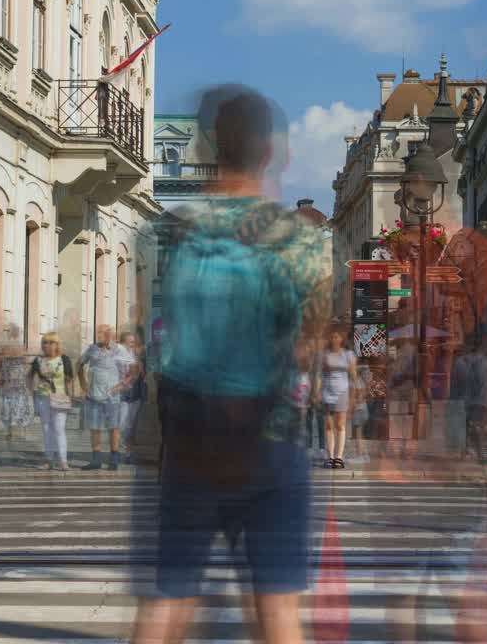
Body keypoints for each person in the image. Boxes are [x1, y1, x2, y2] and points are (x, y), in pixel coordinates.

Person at [132, 85, 328, 644]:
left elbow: (156, 337)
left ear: (206, 149)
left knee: (166, 605)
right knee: (278, 615)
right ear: (269, 153)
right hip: (272, 439)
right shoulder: (300, 239)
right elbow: (307, 345)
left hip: (190, 443)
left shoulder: (169, 232)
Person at [78, 324, 133, 470]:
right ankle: (96, 460)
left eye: (103, 332)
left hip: (112, 397)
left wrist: (121, 385)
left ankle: (113, 459)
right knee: (95, 427)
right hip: (94, 395)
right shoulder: (92, 349)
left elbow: (135, 369)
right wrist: (84, 385)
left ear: (110, 334)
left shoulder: (119, 350)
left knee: (113, 428)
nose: (99, 335)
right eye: (98, 332)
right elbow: (80, 364)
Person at [314, 327, 358, 469]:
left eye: (337, 336)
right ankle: (330, 456)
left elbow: (353, 375)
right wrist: (317, 392)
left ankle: (339, 457)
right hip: (327, 391)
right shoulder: (324, 355)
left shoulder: (348, 354)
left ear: (342, 339)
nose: (335, 339)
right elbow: (319, 375)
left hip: (343, 391)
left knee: (340, 424)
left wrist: (354, 395)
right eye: (332, 336)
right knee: (328, 425)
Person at [31, 333, 74, 470]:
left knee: (59, 429)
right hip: (42, 397)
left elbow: (68, 380)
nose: (47, 345)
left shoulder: (64, 359)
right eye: (44, 342)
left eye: (50, 342)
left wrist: (70, 396)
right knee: (46, 429)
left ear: (57, 344)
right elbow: (30, 376)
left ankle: (63, 461)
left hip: (60, 398)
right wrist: (31, 391)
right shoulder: (38, 360)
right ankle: (49, 460)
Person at [0, 331, 33, 453]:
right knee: (19, 405)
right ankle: (19, 431)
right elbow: (27, 364)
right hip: (18, 383)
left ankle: (11, 431)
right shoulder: (22, 347)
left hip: (8, 383)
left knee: (9, 406)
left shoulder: (4, 347)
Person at [118, 331, 146, 465]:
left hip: (136, 394)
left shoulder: (137, 357)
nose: (132, 345)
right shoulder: (117, 357)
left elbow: (142, 375)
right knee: (122, 424)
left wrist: (139, 365)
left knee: (131, 425)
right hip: (122, 395)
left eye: (133, 343)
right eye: (129, 342)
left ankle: (128, 453)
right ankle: (122, 449)